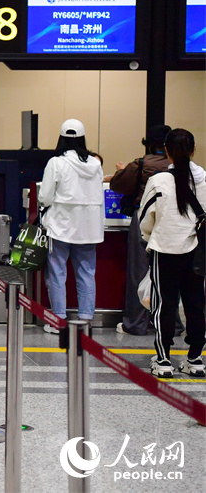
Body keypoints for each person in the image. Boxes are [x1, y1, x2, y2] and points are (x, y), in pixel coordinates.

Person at [139, 128, 206, 378]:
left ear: (166, 150)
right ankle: (195, 359)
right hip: (197, 252)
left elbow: (145, 217)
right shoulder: (204, 180)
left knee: (164, 305)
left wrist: (149, 237)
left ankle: (164, 359)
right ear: (192, 150)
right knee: (195, 305)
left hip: (165, 248)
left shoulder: (159, 181)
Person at [38, 119, 104, 332]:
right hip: (89, 228)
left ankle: (58, 320)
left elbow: (45, 196)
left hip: (61, 226)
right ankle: (85, 319)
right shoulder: (95, 164)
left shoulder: (56, 162)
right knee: (86, 272)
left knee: (57, 273)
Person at [110, 125, 172, 336]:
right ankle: (171, 323)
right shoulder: (181, 165)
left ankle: (136, 324)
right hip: (173, 220)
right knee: (171, 272)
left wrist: (120, 170)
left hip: (145, 216)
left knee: (139, 269)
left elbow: (119, 185)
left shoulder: (142, 163)